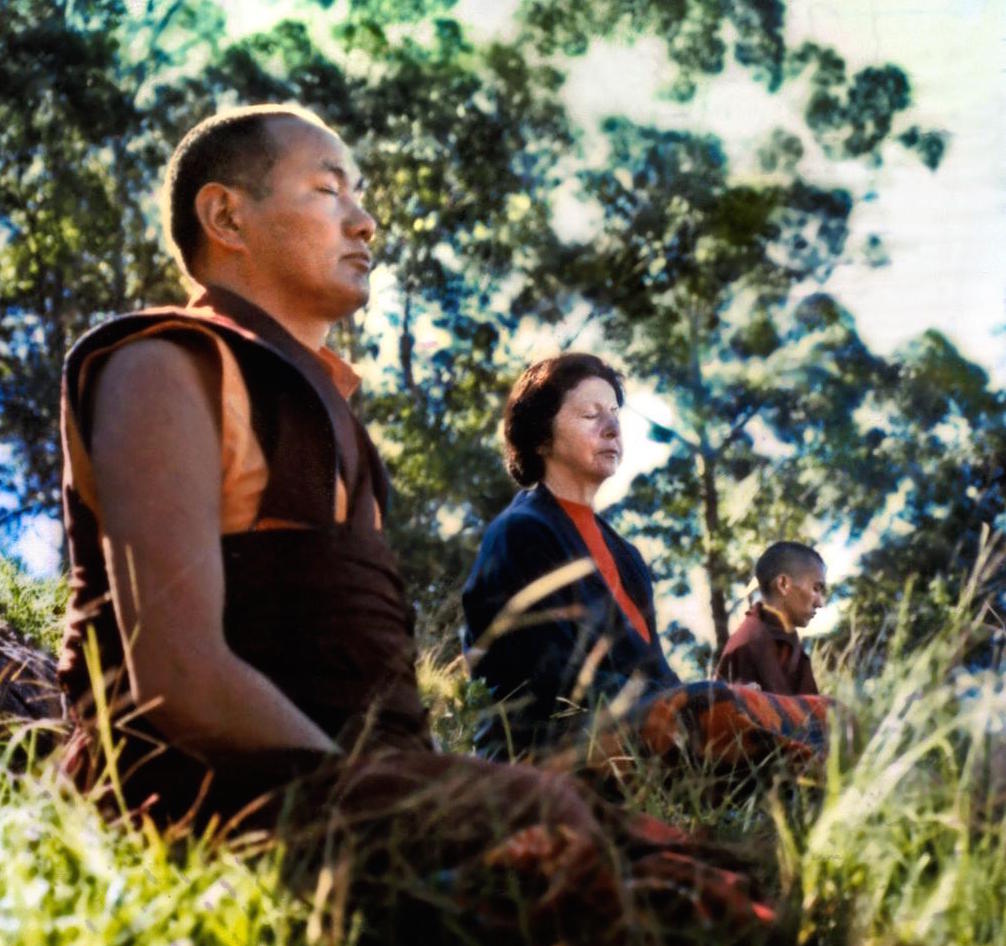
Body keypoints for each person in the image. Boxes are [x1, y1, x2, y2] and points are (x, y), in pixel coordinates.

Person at [57, 104, 779, 944]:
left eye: (358, 195)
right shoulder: (163, 364)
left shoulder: (335, 423)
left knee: (712, 876)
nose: (364, 220)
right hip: (218, 791)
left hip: (366, 785)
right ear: (227, 217)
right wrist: (407, 801)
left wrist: (419, 786)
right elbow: (177, 675)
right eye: (328, 191)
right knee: (573, 854)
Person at [462, 354, 831, 769]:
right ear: (541, 438)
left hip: (639, 730)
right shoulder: (520, 533)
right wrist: (694, 701)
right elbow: (551, 681)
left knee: (830, 714)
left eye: (615, 414)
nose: (612, 427)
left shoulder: (626, 557)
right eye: (590, 414)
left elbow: (652, 671)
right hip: (541, 751)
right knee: (721, 710)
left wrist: (704, 693)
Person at [715, 542, 824, 695]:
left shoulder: (790, 644)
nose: (820, 603)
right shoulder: (746, 644)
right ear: (783, 584)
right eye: (816, 589)